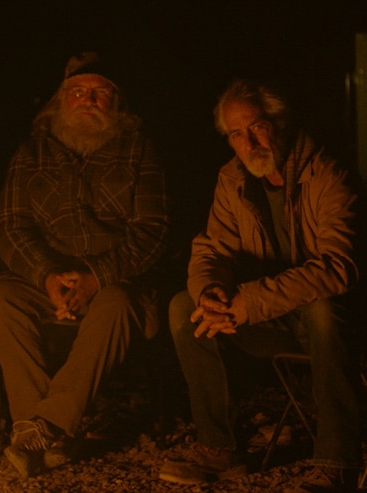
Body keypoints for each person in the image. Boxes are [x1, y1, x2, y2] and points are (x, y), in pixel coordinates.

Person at [160, 79, 364, 492]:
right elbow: (211, 249)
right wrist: (210, 293)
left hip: (336, 323)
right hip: (271, 319)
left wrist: (248, 302)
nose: (249, 141)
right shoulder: (232, 180)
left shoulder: (327, 171)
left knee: (323, 310)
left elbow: (338, 266)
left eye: (256, 126)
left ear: (279, 122)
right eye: (236, 133)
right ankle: (220, 450)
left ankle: (336, 460)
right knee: (186, 308)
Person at [0, 52, 170, 477]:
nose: (88, 100)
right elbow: (10, 227)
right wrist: (47, 276)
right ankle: (46, 433)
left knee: (117, 304)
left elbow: (153, 230)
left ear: (115, 102)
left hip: (115, 283)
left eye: (99, 93)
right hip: (49, 280)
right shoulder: (31, 152)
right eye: (78, 92)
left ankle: (43, 427)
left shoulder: (139, 149)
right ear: (61, 100)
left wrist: (94, 277)